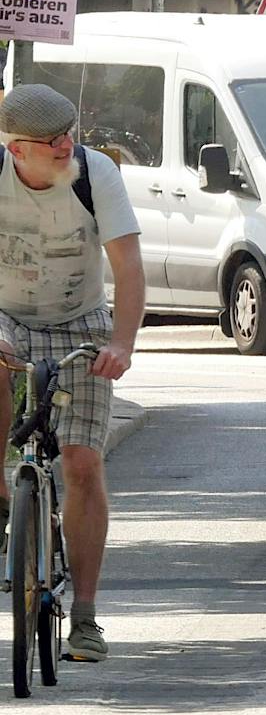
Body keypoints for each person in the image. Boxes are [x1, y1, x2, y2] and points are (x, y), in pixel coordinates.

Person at [0, 85, 145, 663]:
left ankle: (84, 616)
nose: (66, 146)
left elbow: (128, 267)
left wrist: (122, 343)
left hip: (80, 322)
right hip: (5, 315)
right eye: (51, 142)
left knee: (83, 462)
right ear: (16, 150)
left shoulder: (96, 174)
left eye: (69, 133)